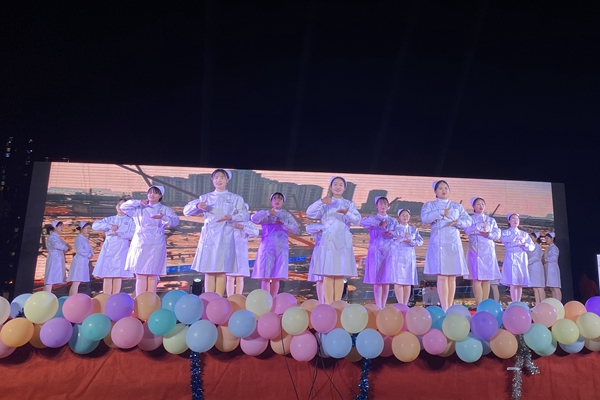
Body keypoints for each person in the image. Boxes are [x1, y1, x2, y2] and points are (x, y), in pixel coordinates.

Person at [183, 169, 247, 296]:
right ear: (212, 180)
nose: (219, 180)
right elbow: (186, 211)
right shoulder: (205, 197)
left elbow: (245, 215)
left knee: (221, 270)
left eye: (222, 177)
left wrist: (232, 217)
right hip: (209, 237)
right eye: (216, 177)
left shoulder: (235, 198)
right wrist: (197, 206)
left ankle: (218, 300)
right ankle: (208, 299)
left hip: (225, 235)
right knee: (209, 270)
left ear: (227, 180)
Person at [307, 176, 360, 304]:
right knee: (328, 274)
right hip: (328, 241)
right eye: (335, 184)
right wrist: (321, 201)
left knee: (339, 274)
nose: (338, 187)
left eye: (341, 185)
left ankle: (337, 304)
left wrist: (347, 213)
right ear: (331, 187)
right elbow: (310, 213)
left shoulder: (349, 204)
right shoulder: (326, 203)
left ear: (344, 188)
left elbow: (357, 220)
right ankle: (329, 305)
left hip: (343, 242)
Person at [420, 180, 472, 311]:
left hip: (453, 243)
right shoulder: (430, 205)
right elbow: (424, 218)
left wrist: (458, 222)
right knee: (442, 276)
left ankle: (450, 307)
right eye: (441, 188)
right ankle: (444, 308)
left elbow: (468, 220)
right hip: (439, 243)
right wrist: (441, 212)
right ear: (435, 191)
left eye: (446, 188)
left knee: (452, 276)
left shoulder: (456, 206)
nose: (444, 190)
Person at [121, 185, 180, 296]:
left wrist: (163, 217)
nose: (152, 195)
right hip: (140, 241)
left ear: (160, 196)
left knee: (152, 275)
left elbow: (175, 221)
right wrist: (138, 202)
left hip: (156, 242)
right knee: (140, 274)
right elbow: (123, 207)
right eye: (150, 192)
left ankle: (150, 302)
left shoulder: (164, 209)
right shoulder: (139, 207)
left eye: (155, 193)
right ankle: (140, 301)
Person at [251, 193, 299, 298]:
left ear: (283, 202)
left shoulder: (286, 215)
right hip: (266, 248)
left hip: (281, 248)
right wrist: (267, 213)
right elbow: (254, 219)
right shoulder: (266, 214)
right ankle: (265, 300)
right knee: (265, 276)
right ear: (271, 201)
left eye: (280, 199)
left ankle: (272, 300)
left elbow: (295, 228)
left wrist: (284, 224)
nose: (277, 200)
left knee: (276, 277)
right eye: (275, 198)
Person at [360, 196, 398, 308]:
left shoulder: (393, 220)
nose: (383, 206)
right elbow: (363, 222)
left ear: (388, 206)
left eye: (385, 204)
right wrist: (379, 223)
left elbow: (398, 234)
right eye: (380, 204)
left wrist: (391, 233)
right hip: (375, 250)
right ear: (376, 206)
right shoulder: (372, 219)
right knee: (377, 279)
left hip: (389, 250)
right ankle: (378, 305)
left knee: (386, 279)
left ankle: (384, 305)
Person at [92, 199, 135, 295]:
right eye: (119, 205)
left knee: (118, 275)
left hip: (122, 249)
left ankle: (115, 297)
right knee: (107, 275)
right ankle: (106, 298)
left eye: (123, 205)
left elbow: (133, 234)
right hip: (109, 250)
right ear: (116, 206)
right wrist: (109, 226)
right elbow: (95, 226)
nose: (120, 207)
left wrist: (120, 234)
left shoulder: (130, 221)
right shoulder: (110, 219)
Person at [464, 197, 501, 306]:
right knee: (477, 278)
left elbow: (497, 234)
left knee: (487, 279)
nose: (481, 206)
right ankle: (479, 303)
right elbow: (467, 230)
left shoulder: (491, 220)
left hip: (488, 250)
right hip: (475, 250)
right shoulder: (470, 219)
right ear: (473, 206)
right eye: (478, 204)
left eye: (483, 204)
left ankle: (484, 303)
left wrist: (488, 234)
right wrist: (478, 226)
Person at [391, 208, 423, 305]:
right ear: (399, 217)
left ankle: (405, 304)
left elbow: (420, 241)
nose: (405, 217)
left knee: (408, 281)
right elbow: (390, 240)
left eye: (407, 215)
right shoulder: (394, 229)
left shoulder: (414, 230)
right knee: (398, 281)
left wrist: (411, 241)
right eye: (403, 215)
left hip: (409, 257)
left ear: (409, 217)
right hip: (398, 256)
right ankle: (400, 304)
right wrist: (401, 239)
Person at [500, 213, 535, 302]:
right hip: (511, 256)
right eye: (513, 219)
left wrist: (525, 244)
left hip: (521, 257)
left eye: (517, 219)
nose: (515, 221)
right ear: (509, 221)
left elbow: (532, 247)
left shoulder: (524, 234)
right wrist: (516, 237)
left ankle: (518, 302)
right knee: (513, 281)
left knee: (519, 282)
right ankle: (514, 302)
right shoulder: (506, 232)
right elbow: (504, 239)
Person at [227, 204, 259, 297]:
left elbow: (256, 232)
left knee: (240, 278)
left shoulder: (246, 223)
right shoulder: (228, 222)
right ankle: (230, 299)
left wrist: (243, 228)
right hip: (229, 253)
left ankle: (238, 298)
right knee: (230, 277)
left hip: (242, 254)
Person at [67, 221, 94, 295]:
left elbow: (89, 248)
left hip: (83, 261)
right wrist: (88, 255)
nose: (89, 230)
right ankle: (72, 298)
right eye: (87, 228)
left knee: (77, 281)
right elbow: (79, 250)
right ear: (82, 228)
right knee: (76, 281)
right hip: (79, 262)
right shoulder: (79, 238)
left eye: (89, 228)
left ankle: (72, 297)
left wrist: (91, 253)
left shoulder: (84, 239)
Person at [44, 220, 71, 293]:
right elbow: (57, 245)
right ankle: (46, 295)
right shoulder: (52, 237)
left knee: (53, 278)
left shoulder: (57, 237)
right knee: (50, 279)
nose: (62, 228)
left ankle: (47, 294)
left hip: (58, 259)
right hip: (54, 259)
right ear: (55, 227)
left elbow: (65, 244)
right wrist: (66, 248)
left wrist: (67, 247)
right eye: (60, 226)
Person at [306, 223, 325, 303]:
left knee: (331, 278)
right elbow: (308, 228)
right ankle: (321, 302)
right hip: (319, 253)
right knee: (320, 279)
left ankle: (330, 302)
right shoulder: (319, 227)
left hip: (333, 252)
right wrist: (324, 227)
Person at [527, 232, 546, 304]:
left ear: (536, 238)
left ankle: (543, 304)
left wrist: (527, 263)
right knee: (535, 287)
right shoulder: (530, 247)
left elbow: (535, 257)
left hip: (536, 267)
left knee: (539, 286)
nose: (530, 239)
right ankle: (538, 304)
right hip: (532, 267)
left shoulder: (537, 247)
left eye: (531, 237)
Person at [544, 232, 562, 301]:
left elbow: (554, 257)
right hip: (549, 268)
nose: (546, 240)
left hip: (553, 269)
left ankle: (558, 302)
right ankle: (555, 301)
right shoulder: (549, 248)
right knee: (552, 287)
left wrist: (546, 260)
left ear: (552, 239)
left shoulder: (554, 248)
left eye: (547, 238)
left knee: (555, 287)